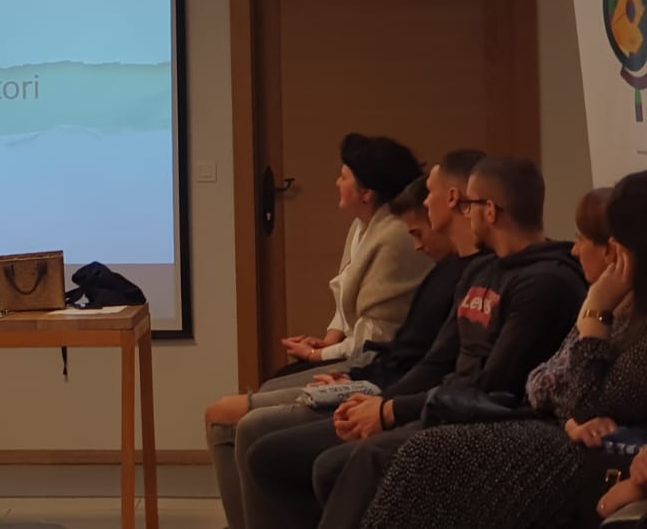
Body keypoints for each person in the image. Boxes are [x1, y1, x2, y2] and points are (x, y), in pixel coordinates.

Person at [240, 155, 588, 529]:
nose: (464, 214)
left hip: (484, 421)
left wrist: (392, 411)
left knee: (342, 463)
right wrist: (380, 404)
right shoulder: (481, 270)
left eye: (469, 205)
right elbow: (439, 360)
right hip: (441, 405)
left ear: (490, 211)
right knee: (286, 458)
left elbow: (494, 385)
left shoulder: (545, 283)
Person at [208, 150, 485, 528]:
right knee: (261, 404)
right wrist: (343, 367)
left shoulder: (455, 268)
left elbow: (430, 362)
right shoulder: (430, 262)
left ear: (454, 200)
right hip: (376, 376)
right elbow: (392, 342)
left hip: (386, 388)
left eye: (343, 176)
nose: (425, 202)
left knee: (250, 429)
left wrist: (376, 399)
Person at [358, 179, 647, 529]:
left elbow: (583, 401)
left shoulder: (587, 298)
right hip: (562, 433)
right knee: (421, 453)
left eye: (586, 239)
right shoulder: (619, 304)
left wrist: (595, 316)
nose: (574, 250)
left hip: (597, 456)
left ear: (621, 252)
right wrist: (572, 416)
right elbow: (540, 382)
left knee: (423, 455)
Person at [272, 134, 430, 376]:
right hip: (355, 348)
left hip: (380, 360)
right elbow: (345, 296)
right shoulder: (360, 226)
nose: (337, 183)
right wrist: (328, 342)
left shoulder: (395, 237)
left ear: (366, 193)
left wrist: (317, 355)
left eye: (344, 177)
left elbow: (375, 335)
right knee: (282, 375)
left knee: (279, 382)